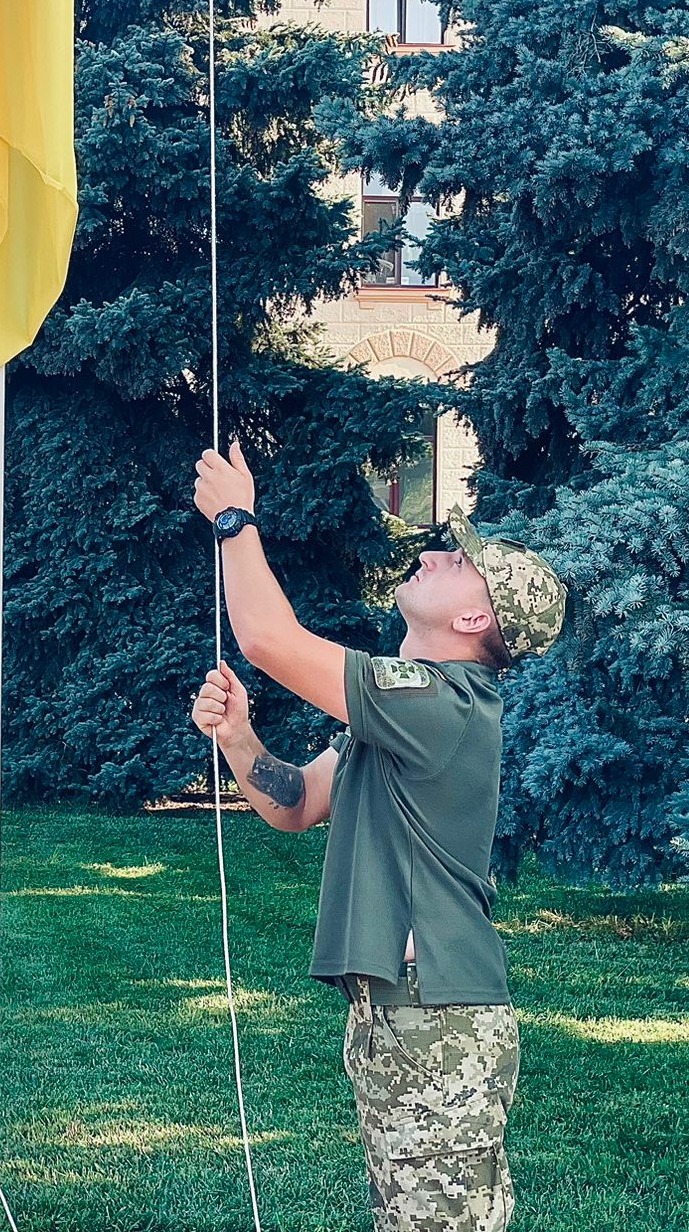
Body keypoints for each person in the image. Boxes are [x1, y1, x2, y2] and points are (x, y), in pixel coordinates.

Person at [191, 442, 566, 1232]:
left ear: (475, 619)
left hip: (438, 1019)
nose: (434, 554)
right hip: (400, 1017)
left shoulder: (445, 702)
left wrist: (234, 520)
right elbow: (297, 803)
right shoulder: (403, 714)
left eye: (459, 563)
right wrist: (239, 739)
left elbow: (268, 641)